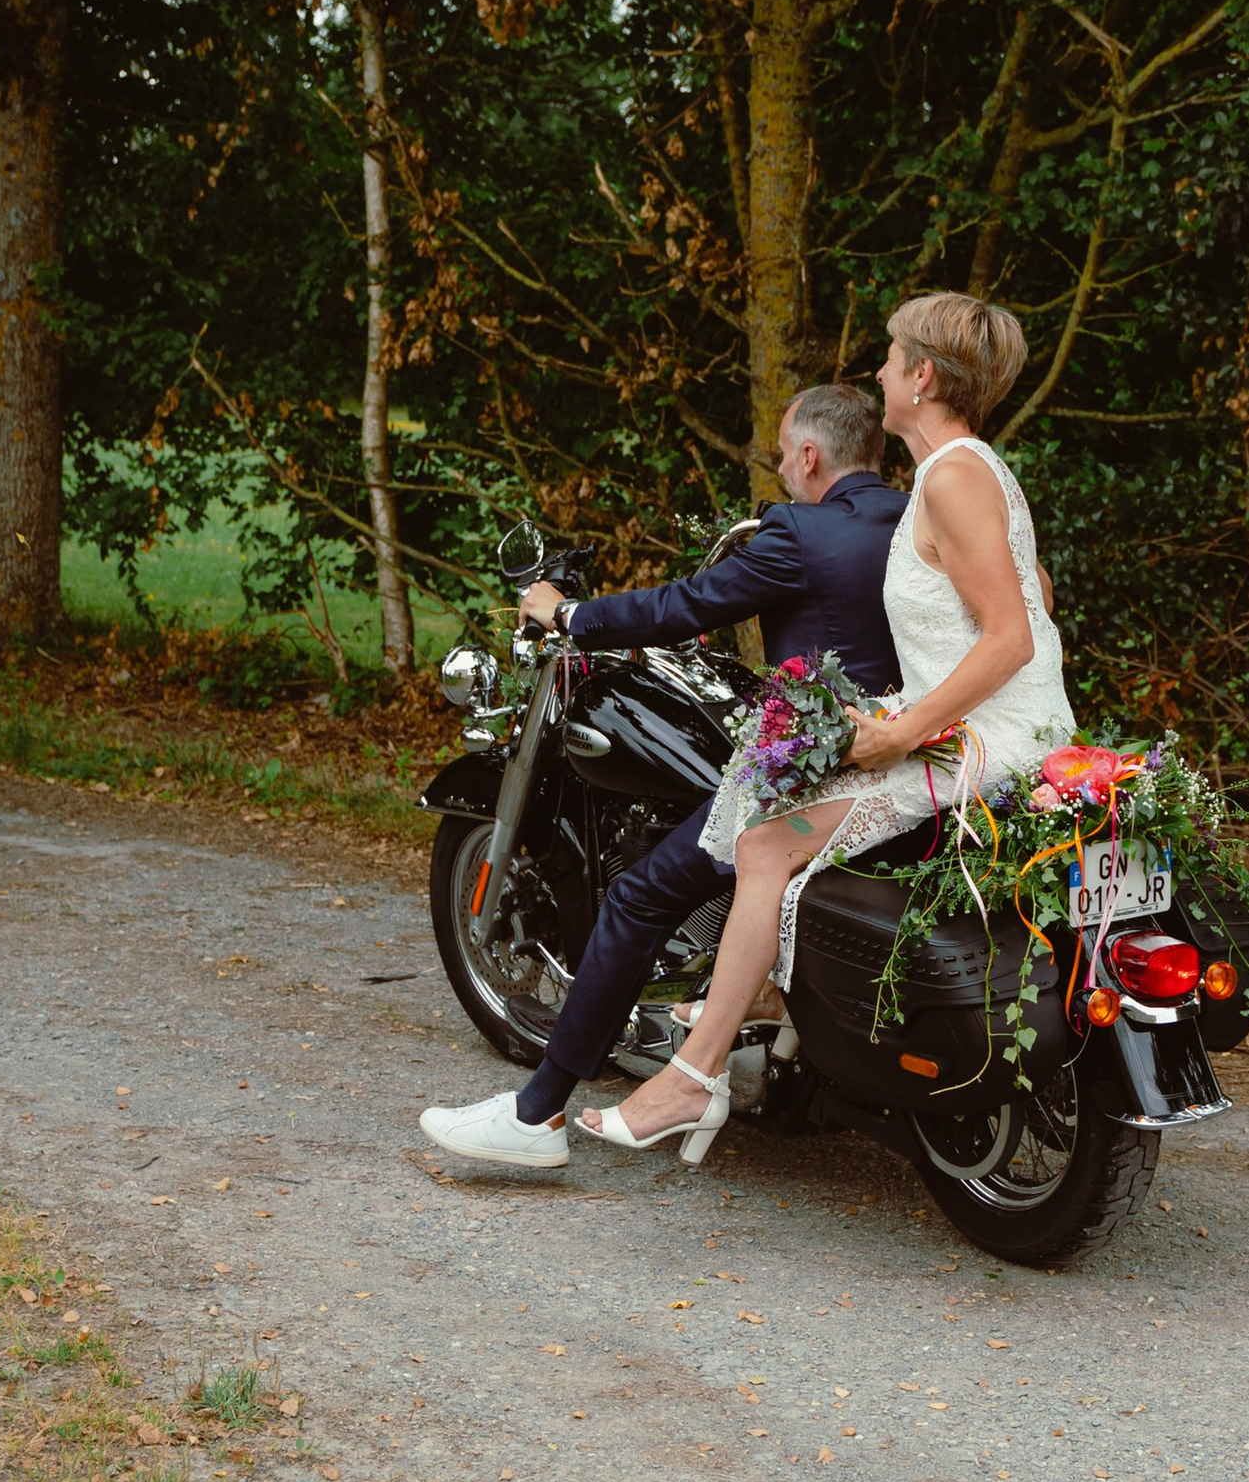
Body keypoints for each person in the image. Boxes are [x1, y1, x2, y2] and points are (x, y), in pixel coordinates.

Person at [578, 291, 1075, 1161]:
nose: (878, 372)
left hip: (982, 738)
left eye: (889, 356)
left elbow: (1012, 636)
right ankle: (769, 998)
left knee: (766, 842)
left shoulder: (954, 474)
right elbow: (1042, 608)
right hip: (991, 723)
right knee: (776, 827)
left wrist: (902, 730)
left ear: (922, 376)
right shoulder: (970, 468)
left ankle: (691, 1080)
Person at [416, 379, 904, 1172]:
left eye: (784, 455)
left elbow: (687, 607)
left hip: (818, 771)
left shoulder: (799, 532)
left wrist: (568, 613)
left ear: (811, 455)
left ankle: (535, 1116)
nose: (782, 468)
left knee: (642, 893)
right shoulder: (913, 519)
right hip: (909, 761)